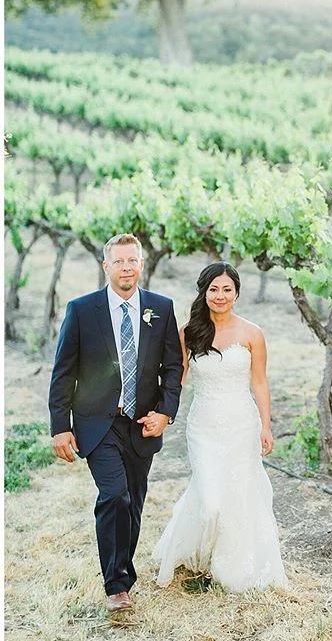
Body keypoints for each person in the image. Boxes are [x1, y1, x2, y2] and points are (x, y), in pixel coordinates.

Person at [48, 233, 183, 614]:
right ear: (106, 266)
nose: (126, 267)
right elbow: (63, 373)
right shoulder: (82, 309)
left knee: (134, 504)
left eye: (132, 260)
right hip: (97, 424)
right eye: (119, 261)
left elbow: (173, 367)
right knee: (115, 495)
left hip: (142, 424)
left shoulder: (161, 308)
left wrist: (166, 412)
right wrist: (60, 426)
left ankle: (122, 569)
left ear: (141, 264)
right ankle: (117, 585)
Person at [152, 261, 287, 592]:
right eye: (214, 289)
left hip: (242, 423)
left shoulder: (252, 333)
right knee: (210, 498)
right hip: (204, 427)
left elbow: (259, 383)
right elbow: (177, 380)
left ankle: (229, 564)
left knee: (238, 492)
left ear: (237, 293)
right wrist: (161, 412)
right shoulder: (188, 333)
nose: (220, 295)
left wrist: (266, 427)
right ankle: (196, 547)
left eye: (227, 289)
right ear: (204, 291)